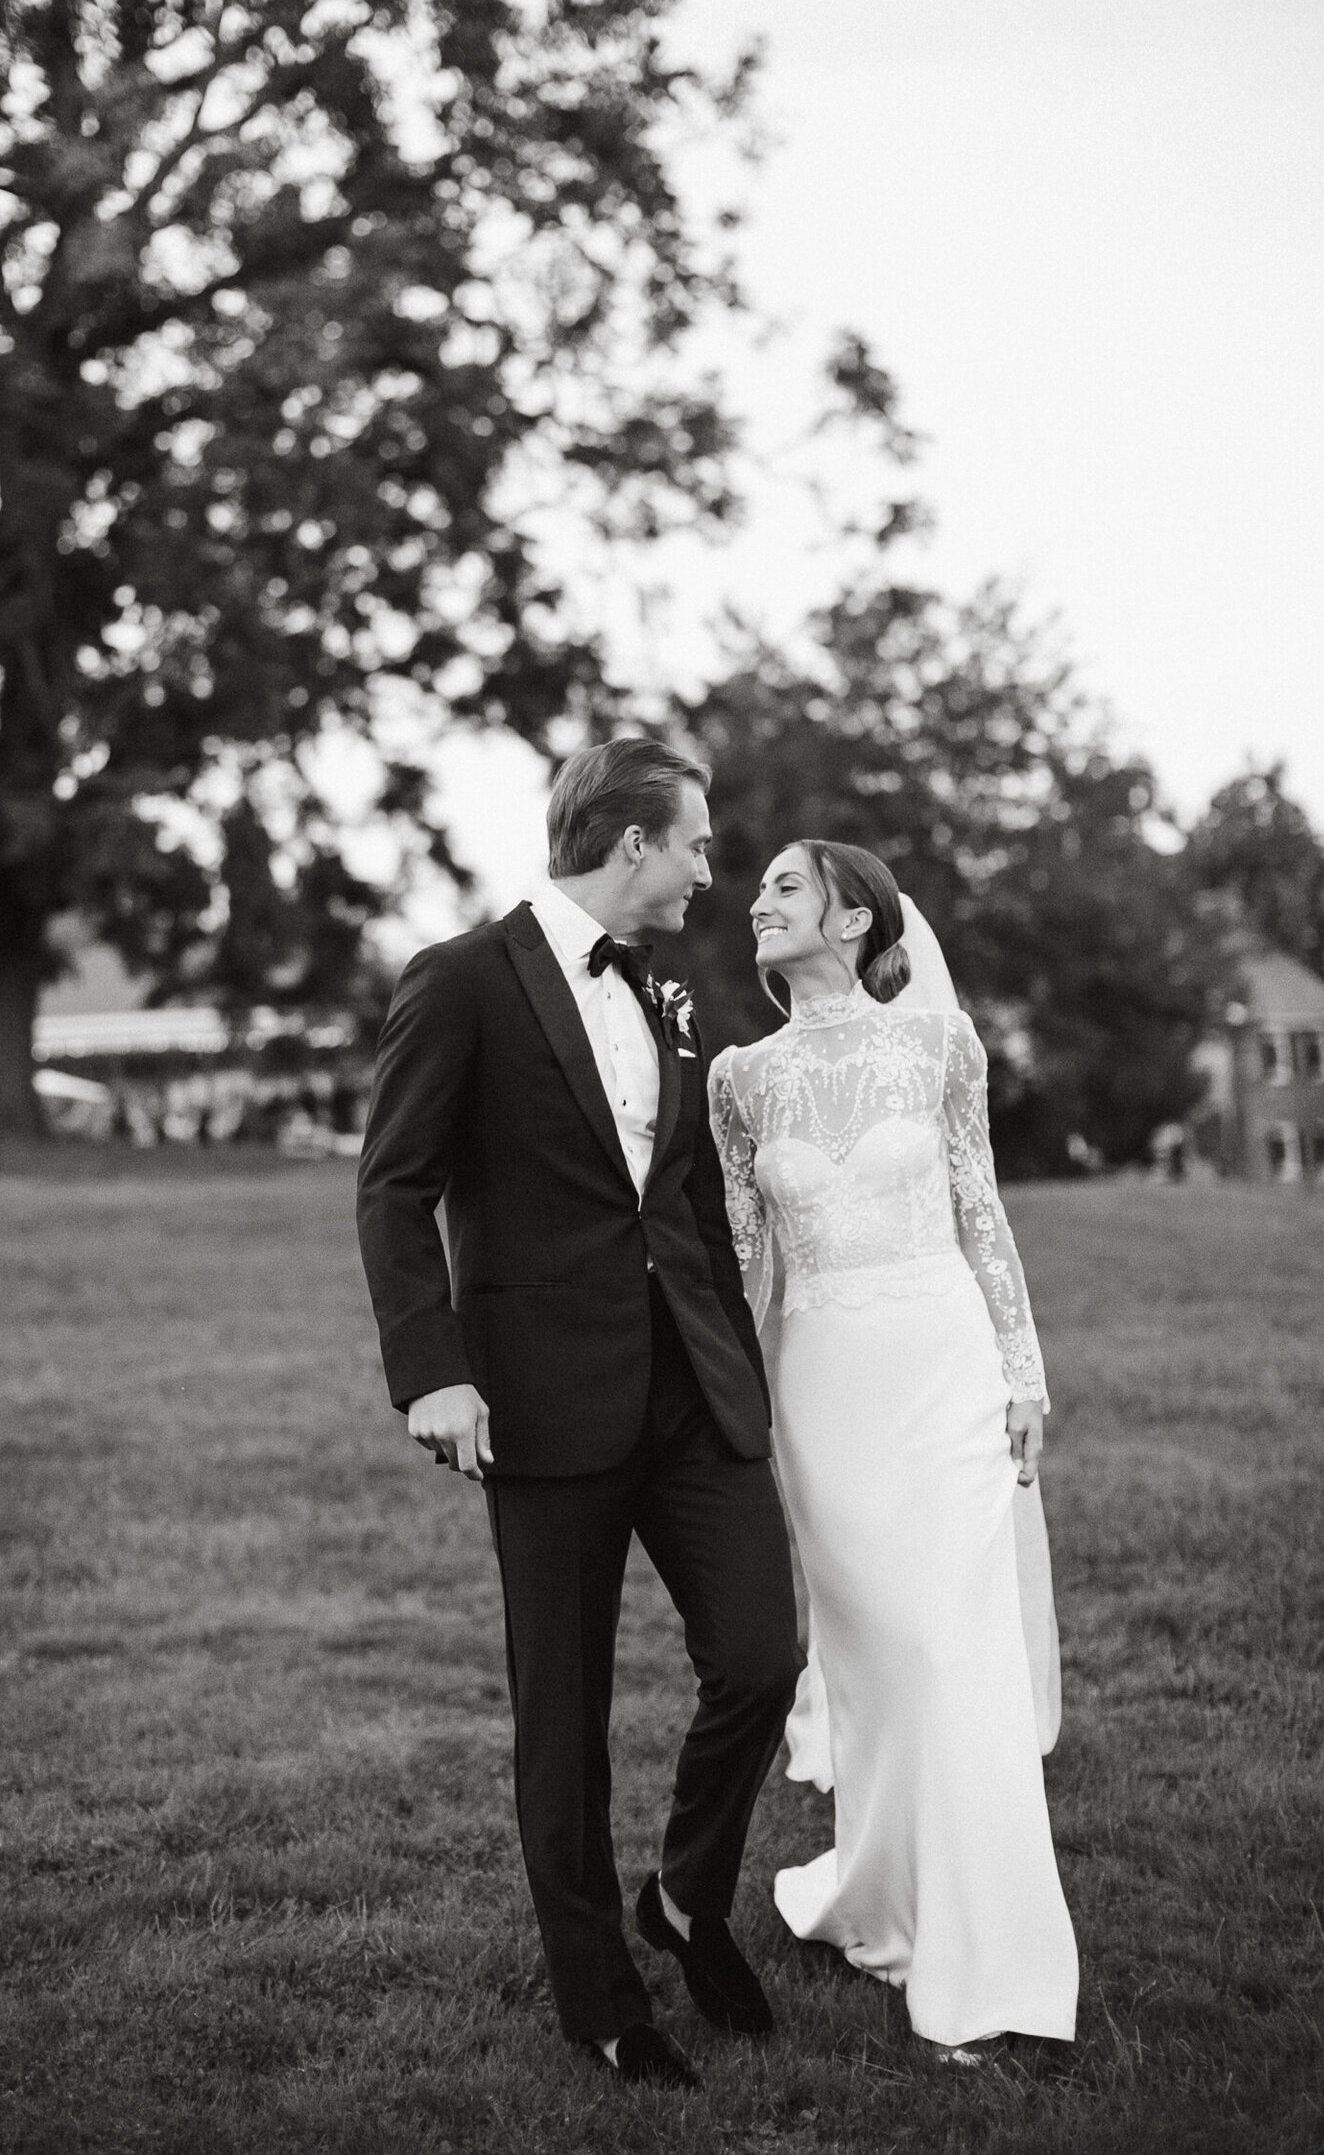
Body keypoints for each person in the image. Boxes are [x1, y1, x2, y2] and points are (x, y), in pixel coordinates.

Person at [356, 740, 802, 2089]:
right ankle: (603, 1999)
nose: (710, 868)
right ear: (628, 848)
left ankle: (683, 1892)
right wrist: (433, 1371)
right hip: (543, 1407)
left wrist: (737, 1361)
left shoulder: (669, 990)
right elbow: (393, 1188)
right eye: (697, 844)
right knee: (566, 1713)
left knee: (763, 1658)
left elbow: (678, 1199)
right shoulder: (460, 983)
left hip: (689, 1393)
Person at [708, 841, 1078, 2063]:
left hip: (945, 1368)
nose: (755, 902)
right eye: (755, 888)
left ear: (853, 919)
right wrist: (724, 1406)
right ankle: (878, 1890)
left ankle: (985, 1955)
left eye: (784, 887)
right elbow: (745, 1264)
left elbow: (981, 1214)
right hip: (822, 1391)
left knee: (950, 1647)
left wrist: (1022, 1374)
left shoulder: (940, 1047)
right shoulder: (740, 1080)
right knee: (876, 1656)